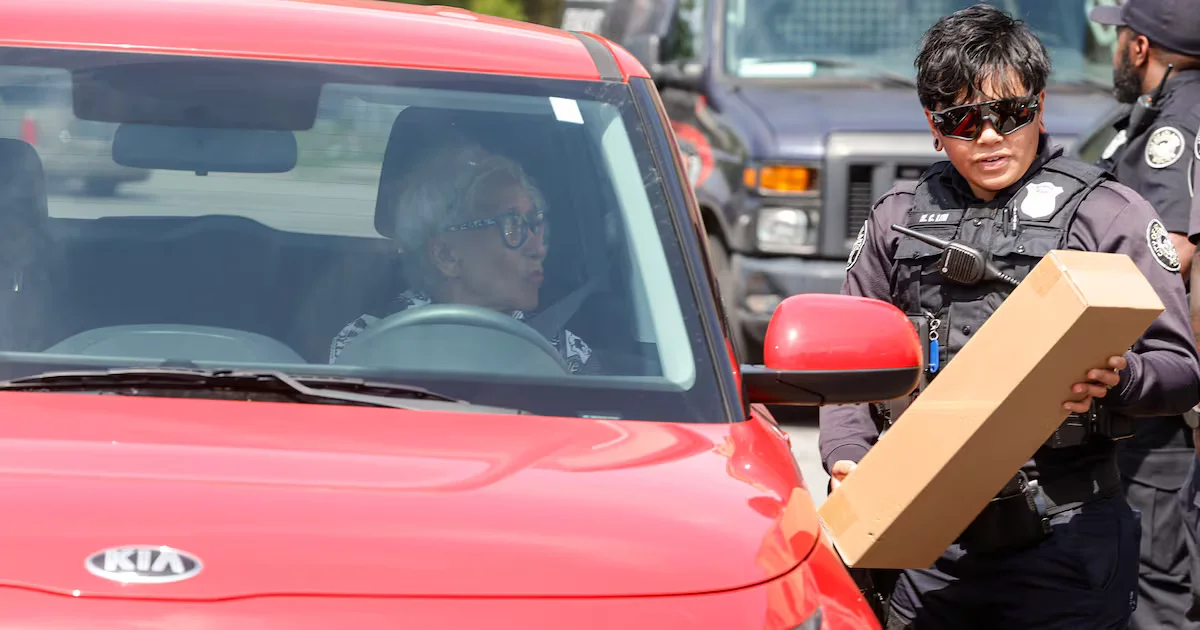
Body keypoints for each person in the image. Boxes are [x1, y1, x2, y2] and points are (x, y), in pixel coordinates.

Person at [818, 5, 1200, 628]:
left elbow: (1180, 369)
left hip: (1065, 536)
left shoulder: (1109, 214)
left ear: (1039, 106)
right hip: (924, 542)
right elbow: (846, 365)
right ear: (933, 125)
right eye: (963, 120)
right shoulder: (896, 218)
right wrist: (846, 455)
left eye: (1010, 113)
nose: (990, 136)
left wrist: (1122, 378)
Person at [1088, 1, 1200, 627]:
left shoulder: (1176, 125)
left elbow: (1173, 251)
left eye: (1119, 36)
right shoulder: (1162, 112)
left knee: (1156, 579)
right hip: (1164, 382)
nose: (1115, 49)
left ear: (1140, 47)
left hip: (1167, 391)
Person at [328, 142, 597, 373]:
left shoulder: (563, 353)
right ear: (447, 255)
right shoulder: (367, 345)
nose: (538, 248)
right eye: (512, 225)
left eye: (534, 222)